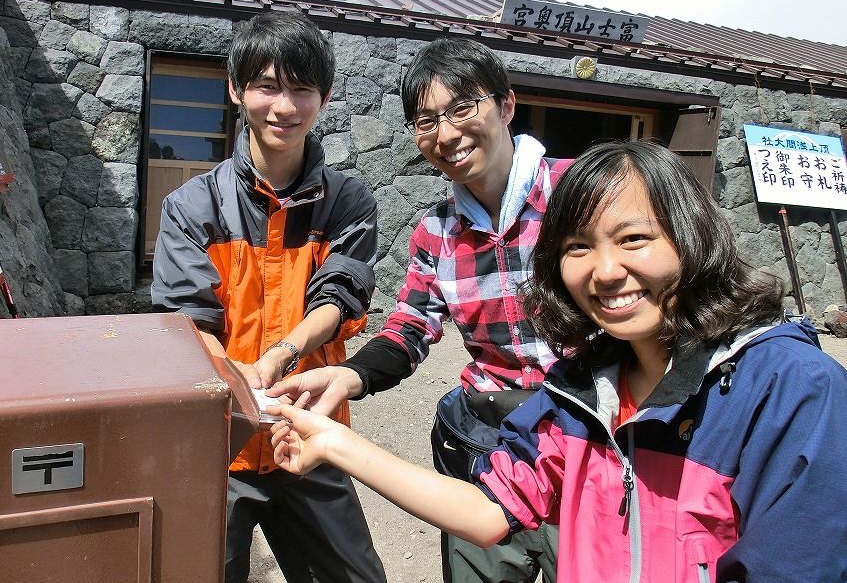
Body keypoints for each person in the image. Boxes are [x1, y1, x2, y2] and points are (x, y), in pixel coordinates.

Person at [269, 140, 847, 583]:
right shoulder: (581, 390)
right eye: (578, 247)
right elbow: (489, 509)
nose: (606, 271)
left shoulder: (787, 390)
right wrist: (334, 441)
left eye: (634, 239)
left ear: (692, 236)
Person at [270, 37, 568, 583]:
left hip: (585, 441)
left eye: (462, 108)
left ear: (506, 105)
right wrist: (350, 375)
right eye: (426, 121)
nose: (446, 134)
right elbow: (409, 327)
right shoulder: (438, 229)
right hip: (488, 443)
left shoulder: (580, 196)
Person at [151, 11, 386, 583]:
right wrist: (237, 382)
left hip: (308, 434)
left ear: (324, 97)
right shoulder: (192, 207)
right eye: (266, 86)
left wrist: (281, 354)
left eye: (301, 89)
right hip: (220, 444)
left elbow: (339, 297)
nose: (285, 106)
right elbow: (189, 319)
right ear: (236, 90)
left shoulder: (347, 202)